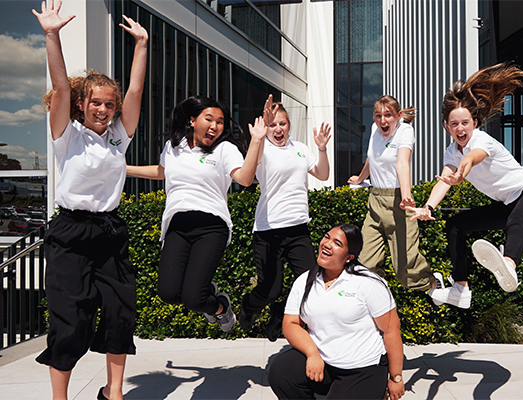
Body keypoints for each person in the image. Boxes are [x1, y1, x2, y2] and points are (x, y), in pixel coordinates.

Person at [32, 1, 147, 399]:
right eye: (96, 102)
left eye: (109, 104)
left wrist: (142, 45)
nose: (103, 108)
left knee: (120, 312)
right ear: (83, 104)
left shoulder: (119, 136)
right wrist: (52, 34)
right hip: (70, 233)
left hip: (110, 230)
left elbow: (135, 89)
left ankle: (113, 394)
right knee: (70, 323)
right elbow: (61, 85)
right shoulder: (68, 134)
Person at [408, 62, 523, 309]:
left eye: (465, 123)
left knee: (517, 221)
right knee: (456, 225)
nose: (460, 129)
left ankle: (508, 264)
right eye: (454, 124)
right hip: (507, 203)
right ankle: (460, 289)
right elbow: (444, 180)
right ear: (447, 127)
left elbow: (471, 158)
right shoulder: (450, 151)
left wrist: (461, 174)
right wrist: (428, 207)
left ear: (474, 122)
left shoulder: (482, 140)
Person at [126, 96, 266, 333]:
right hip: (177, 225)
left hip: (211, 226)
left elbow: (244, 178)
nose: (215, 126)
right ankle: (210, 294)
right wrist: (123, 168)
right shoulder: (174, 146)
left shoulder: (224, 149)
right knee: (168, 293)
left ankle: (221, 307)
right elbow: (162, 171)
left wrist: (256, 141)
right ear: (192, 120)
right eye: (209, 119)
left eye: (220, 122)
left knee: (194, 298)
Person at [267, 224, 405, 400]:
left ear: (349, 257)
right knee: (281, 371)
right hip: (324, 364)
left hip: (362, 369)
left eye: (337, 243)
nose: (327, 244)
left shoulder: (368, 283)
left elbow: (391, 330)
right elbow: (290, 323)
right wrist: (312, 353)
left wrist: (396, 377)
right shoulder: (305, 281)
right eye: (326, 237)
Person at [238, 96, 331, 341]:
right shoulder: (262, 150)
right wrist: (257, 138)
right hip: (268, 231)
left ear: (289, 125)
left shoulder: (300, 149)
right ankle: (249, 307)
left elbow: (322, 174)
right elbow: (252, 163)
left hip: (298, 229)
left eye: (282, 124)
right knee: (270, 288)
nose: (278, 129)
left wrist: (321, 149)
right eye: (273, 125)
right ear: (266, 128)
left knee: (310, 285)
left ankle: (281, 313)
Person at [348, 95, 440, 295]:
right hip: (375, 203)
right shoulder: (374, 130)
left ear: (398, 116)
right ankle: (381, 298)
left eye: (388, 115)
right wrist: (360, 177)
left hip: (399, 202)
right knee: (363, 266)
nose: (382, 121)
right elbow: (372, 157)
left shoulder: (405, 131)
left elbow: (402, 163)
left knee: (405, 272)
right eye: (378, 115)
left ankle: (434, 283)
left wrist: (406, 194)